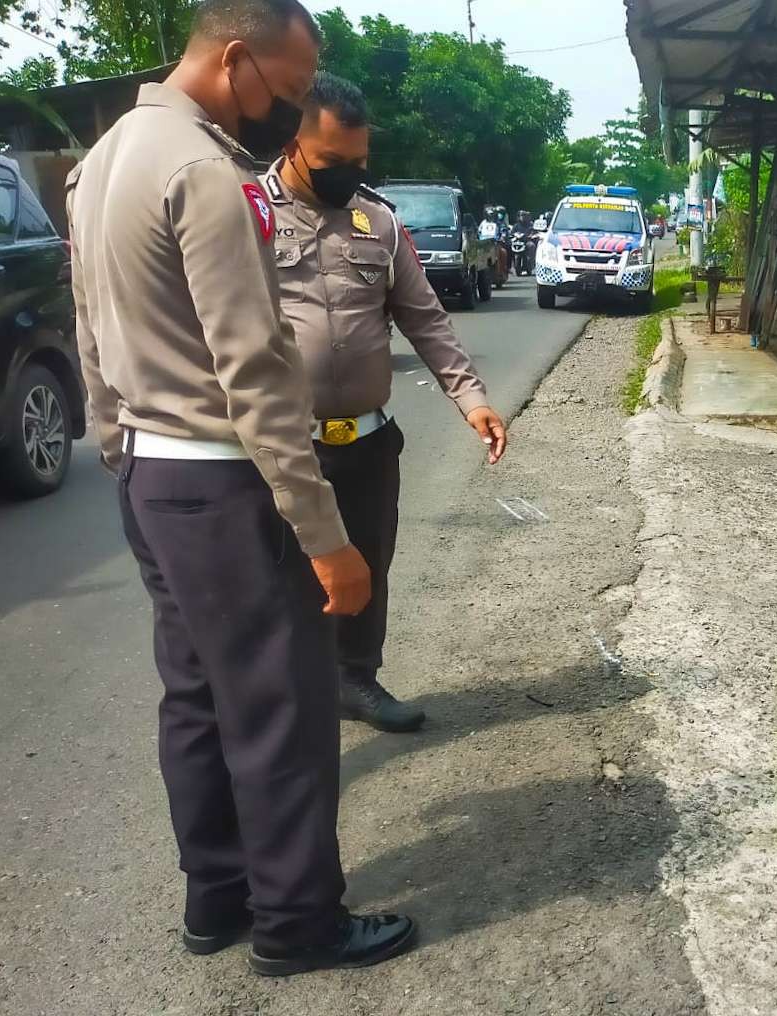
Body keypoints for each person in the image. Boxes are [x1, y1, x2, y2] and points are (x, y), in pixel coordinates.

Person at [66, 0, 414, 976]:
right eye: (289, 91)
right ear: (234, 60)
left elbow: (88, 324)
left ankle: (215, 896)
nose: (290, 113)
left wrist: (113, 442)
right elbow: (256, 373)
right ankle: (298, 922)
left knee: (194, 694)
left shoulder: (103, 160)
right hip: (222, 482)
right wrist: (325, 536)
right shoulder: (205, 173)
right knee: (283, 704)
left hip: (148, 472)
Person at [261, 72, 508, 732]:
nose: (347, 173)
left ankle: (354, 679)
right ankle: (289, 701)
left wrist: (471, 398)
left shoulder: (378, 222)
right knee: (287, 580)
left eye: (358, 162)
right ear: (293, 142)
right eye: (331, 162)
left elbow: (425, 319)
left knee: (367, 565)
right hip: (283, 445)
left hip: (366, 442)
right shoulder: (246, 212)